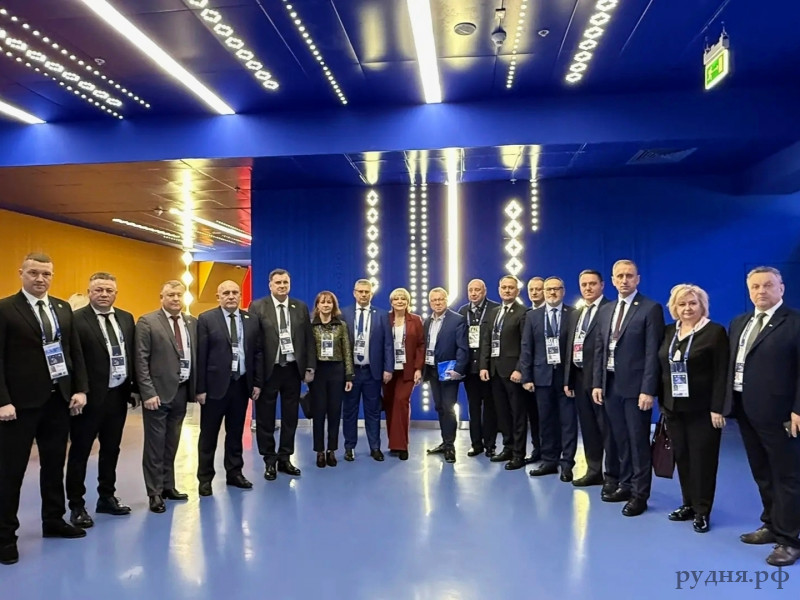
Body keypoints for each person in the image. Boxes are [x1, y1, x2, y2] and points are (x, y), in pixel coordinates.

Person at [0, 252, 88, 565]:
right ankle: (5, 536)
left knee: (54, 465)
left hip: (57, 401)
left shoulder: (62, 309)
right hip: (18, 406)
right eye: (34, 273)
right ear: (21, 273)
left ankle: (53, 520)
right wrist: (2, 400)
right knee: (10, 471)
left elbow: (73, 351)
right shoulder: (5, 309)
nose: (40, 279)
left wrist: (80, 388)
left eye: (46, 274)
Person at [725, 266, 800, 566]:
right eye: (755, 286)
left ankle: (790, 539)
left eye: (768, 285)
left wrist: (798, 408)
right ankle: (771, 524)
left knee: (787, 476)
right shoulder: (739, 323)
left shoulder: (794, 322)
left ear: (781, 288)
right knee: (762, 472)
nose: (761, 291)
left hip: (781, 414)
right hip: (746, 411)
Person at [592, 259, 665, 517]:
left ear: (637, 279)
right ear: (613, 280)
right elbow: (600, 349)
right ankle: (625, 485)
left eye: (629, 275)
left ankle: (640, 495)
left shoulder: (650, 308)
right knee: (620, 439)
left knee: (638, 442)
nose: (624, 280)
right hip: (610, 386)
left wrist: (648, 389)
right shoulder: (606, 310)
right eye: (620, 276)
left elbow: (652, 352)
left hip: (636, 389)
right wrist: (597, 383)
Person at [67, 272, 138, 528]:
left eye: (109, 290)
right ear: (89, 292)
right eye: (99, 290)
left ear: (116, 293)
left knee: (111, 449)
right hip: (88, 398)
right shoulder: (76, 320)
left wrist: (134, 388)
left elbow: (131, 354)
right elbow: (73, 359)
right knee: (80, 451)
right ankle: (76, 504)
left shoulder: (126, 318)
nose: (104, 294)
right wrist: (79, 391)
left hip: (117, 395)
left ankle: (106, 496)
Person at [658, 284, 728, 534]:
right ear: (674, 308)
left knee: (703, 461)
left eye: (692, 303)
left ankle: (702, 511)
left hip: (703, 410)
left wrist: (718, 408)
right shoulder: (669, 332)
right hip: (673, 408)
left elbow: (722, 373)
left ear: (702, 306)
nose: (687, 308)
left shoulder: (715, 332)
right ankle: (688, 503)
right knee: (684, 458)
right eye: (682, 304)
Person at [195, 280, 263, 496]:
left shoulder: (251, 320)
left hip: (240, 385)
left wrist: (257, 382)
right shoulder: (206, 319)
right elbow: (200, 355)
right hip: (214, 388)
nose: (231, 296)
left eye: (235, 292)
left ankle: (234, 473)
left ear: (240, 295)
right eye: (226, 293)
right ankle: (205, 478)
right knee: (208, 435)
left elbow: (257, 353)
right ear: (218, 297)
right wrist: (200, 388)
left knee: (235, 433)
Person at [135, 280, 197, 513]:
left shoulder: (191, 322)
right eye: (170, 295)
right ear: (161, 297)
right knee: (155, 445)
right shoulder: (147, 322)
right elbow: (141, 359)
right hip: (157, 394)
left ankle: (168, 486)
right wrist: (148, 392)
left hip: (181, 391)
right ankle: (154, 493)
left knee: (172, 442)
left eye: (179, 294)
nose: (175, 298)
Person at [248, 269, 315, 481]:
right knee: (265, 417)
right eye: (278, 282)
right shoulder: (258, 306)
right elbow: (252, 342)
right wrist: (254, 375)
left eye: (285, 282)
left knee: (290, 417)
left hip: (292, 370)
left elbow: (308, 339)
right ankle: (269, 459)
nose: (282, 286)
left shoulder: (300, 307)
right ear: (270, 285)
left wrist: (310, 367)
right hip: (268, 371)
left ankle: (285, 457)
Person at [563, 270, 617, 494]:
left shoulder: (611, 309)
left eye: (592, 284)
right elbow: (571, 346)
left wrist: (599, 381)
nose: (588, 288)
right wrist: (568, 379)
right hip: (578, 377)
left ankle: (612, 475)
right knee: (588, 428)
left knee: (607, 429)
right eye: (584, 284)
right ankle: (594, 470)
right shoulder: (577, 313)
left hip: (601, 379)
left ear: (602, 285)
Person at [521, 277, 577, 481]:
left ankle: (567, 463)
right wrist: (526, 376)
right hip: (541, 377)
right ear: (544, 292)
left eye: (556, 289)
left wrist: (574, 378)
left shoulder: (574, 314)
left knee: (568, 422)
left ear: (563, 291)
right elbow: (527, 347)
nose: (552, 292)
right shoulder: (533, 316)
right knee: (545, 421)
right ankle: (549, 461)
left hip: (566, 379)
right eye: (549, 289)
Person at [480, 275, 530, 470]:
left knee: (517, 414)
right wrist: (484, 366)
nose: (507, 290)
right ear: (499, 289)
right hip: (495, 371)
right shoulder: (494, 312)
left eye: (511, 287)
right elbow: (486, 340)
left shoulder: (523, 312)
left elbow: (526, 344)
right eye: (504, 287)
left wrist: (519, 369)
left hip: (513, 373)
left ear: (517, 291)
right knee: (502, 413)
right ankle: (507, 447)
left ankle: (518, 454)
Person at [340, 279, 393, 462]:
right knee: (349, 411)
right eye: (360, 291)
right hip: (351, 373)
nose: (363, 295)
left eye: (367, 292)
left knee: (373, 411)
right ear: (354, 293)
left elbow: (388, 344)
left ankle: (375, 447)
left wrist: (388, 368)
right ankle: (349, 447)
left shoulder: (382, 315)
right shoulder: (343, 314)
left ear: (371, 294)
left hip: (373, 372)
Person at [423, 288, 469, 463]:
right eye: (434, 300)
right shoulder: (427, 322)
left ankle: (450, 447)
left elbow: (463, 347)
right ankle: (444, 442)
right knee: (440, 407)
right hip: (432, 371)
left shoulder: (457, 319)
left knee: (449, 408)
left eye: (440, 299)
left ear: (446, 300)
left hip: (449, 371)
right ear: (430, 303)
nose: (437, 303)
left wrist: (458, 369)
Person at [309, 291, 353, 468]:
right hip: (318, 373)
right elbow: (307, 351)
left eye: (329, 302)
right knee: (318, 413)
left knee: (335, 412)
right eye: (323, 302)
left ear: (334, 306)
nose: (326, 305)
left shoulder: (341, 325)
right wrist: (307, 371)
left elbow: (347, 351)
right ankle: (319, 451)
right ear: (317, 305)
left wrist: (349, 375)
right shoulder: (311, 326)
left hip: (336, 371)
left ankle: (331, 450)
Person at [457, 279, 500, 457]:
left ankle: (490, 445)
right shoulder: (462, 311)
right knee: (473, 408)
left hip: (488, 368)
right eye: (471, 290)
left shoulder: (495, 309)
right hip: (469, 369)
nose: (474, 293)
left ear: (485, 291)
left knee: (490, 408)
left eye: (477, 290)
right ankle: (476, 444)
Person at [383, 288, 424, 460]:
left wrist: (418, 368)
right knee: (390, 404)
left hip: (407, 370)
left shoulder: (416, 320)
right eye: (396, 299)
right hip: (388, 370)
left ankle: (402, 446)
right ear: (391, 302)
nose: (399, 301)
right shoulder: (385, 319)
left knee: (401, 402)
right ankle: (394, 443)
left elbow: (421, 345)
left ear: (408, 302)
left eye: (403, 299)